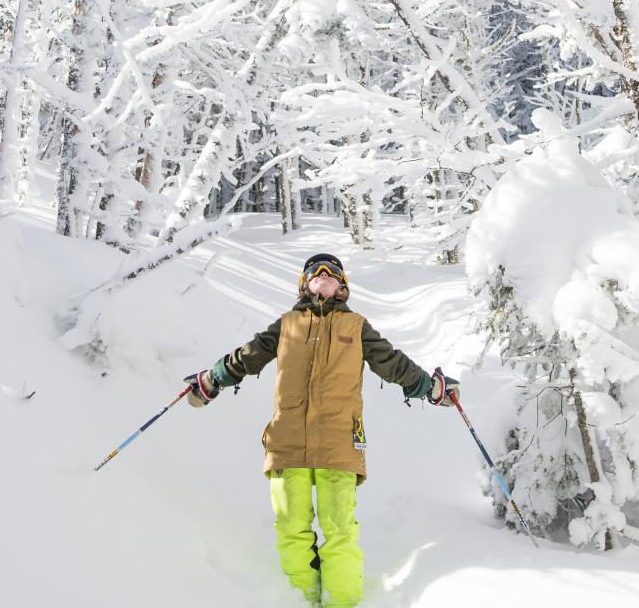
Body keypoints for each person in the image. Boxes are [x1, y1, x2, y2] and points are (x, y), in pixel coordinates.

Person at [183, 253, 459, 608]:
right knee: (291, 528)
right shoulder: (286, 324)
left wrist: (430, 388)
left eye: (331, 272)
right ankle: (301, 600)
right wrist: (211, 380)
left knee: (339, 531)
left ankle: (341, 602)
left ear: (342, 285)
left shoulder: (357, 326)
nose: (323, 275)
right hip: (287, 443)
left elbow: (393, 364)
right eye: (315, 271)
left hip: (339, 443)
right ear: (304, 283)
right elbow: (247, 356)